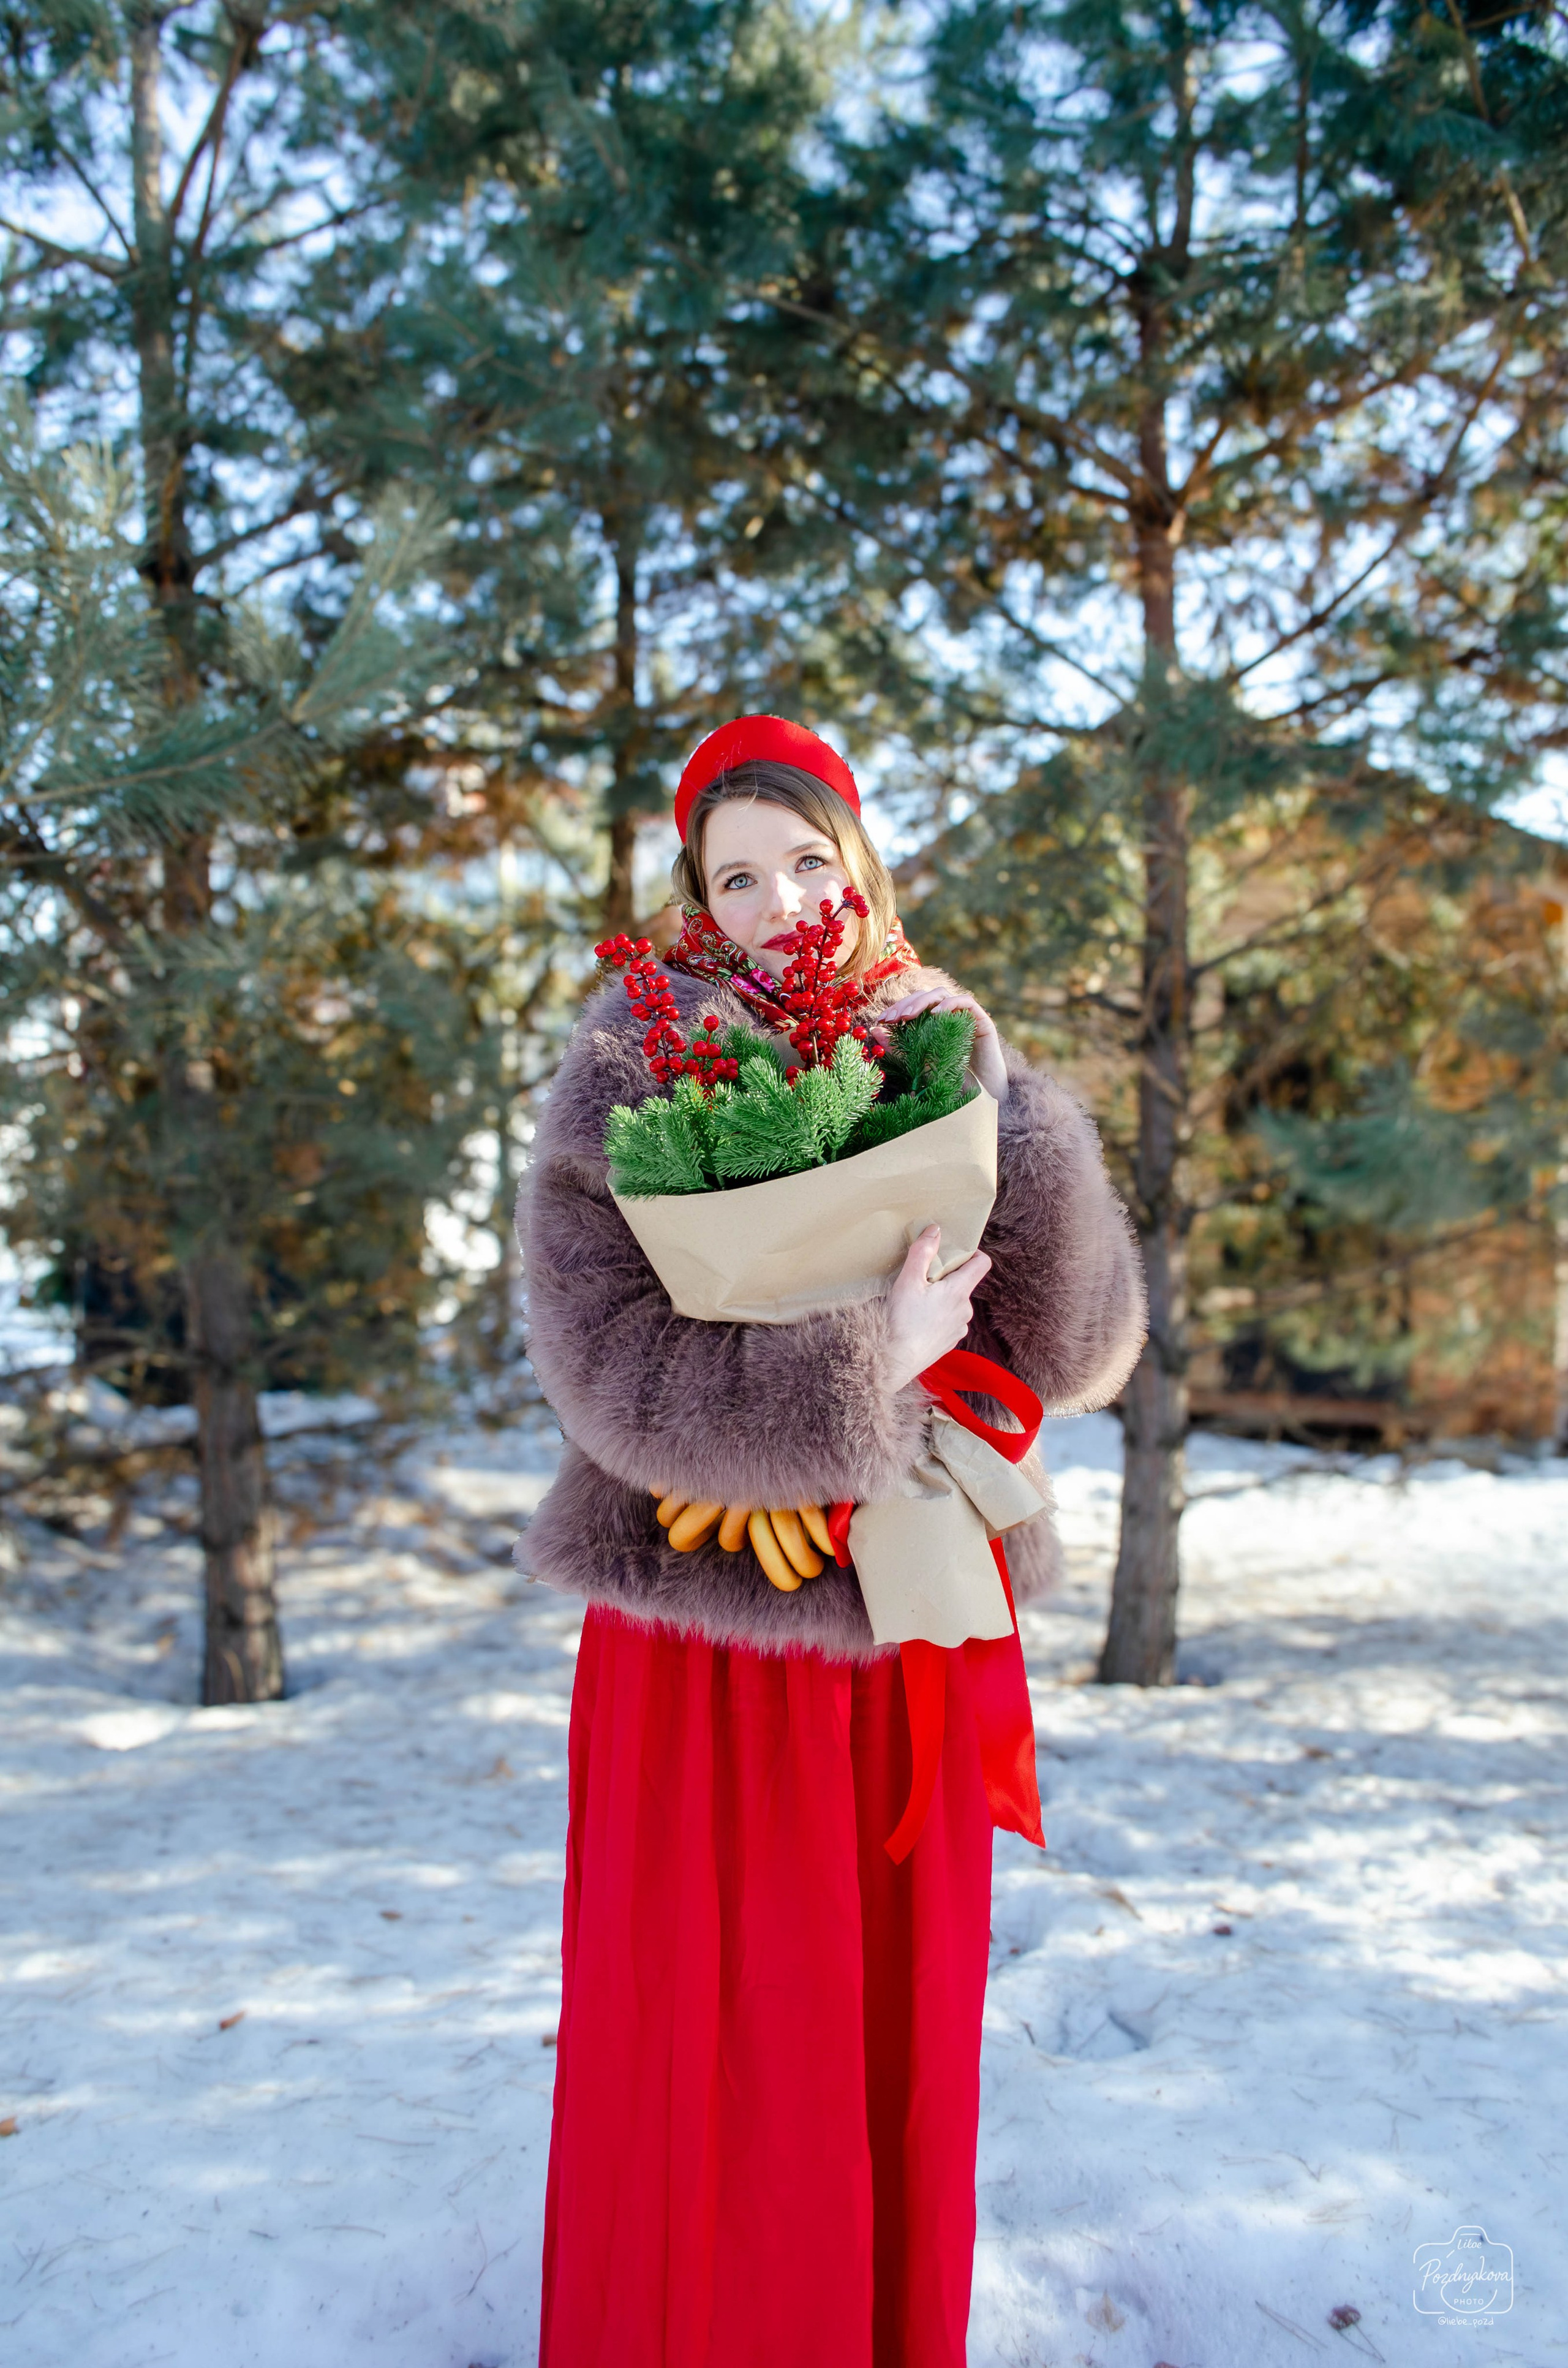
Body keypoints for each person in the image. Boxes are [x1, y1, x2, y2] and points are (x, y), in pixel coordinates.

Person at [518, 714, 1145, 2368]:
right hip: (704, 1645)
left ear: (860, 862)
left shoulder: (953, 1049)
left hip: (897, 1623)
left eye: (807, 861)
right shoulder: (630, 1073)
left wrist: (1035, 1147)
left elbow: (1071, 1355)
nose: (777, 901)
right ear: (695, 897)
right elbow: (609, 1377)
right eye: (736, 875)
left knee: (885, 2031)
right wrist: (868, 1354)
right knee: (716, 2032)